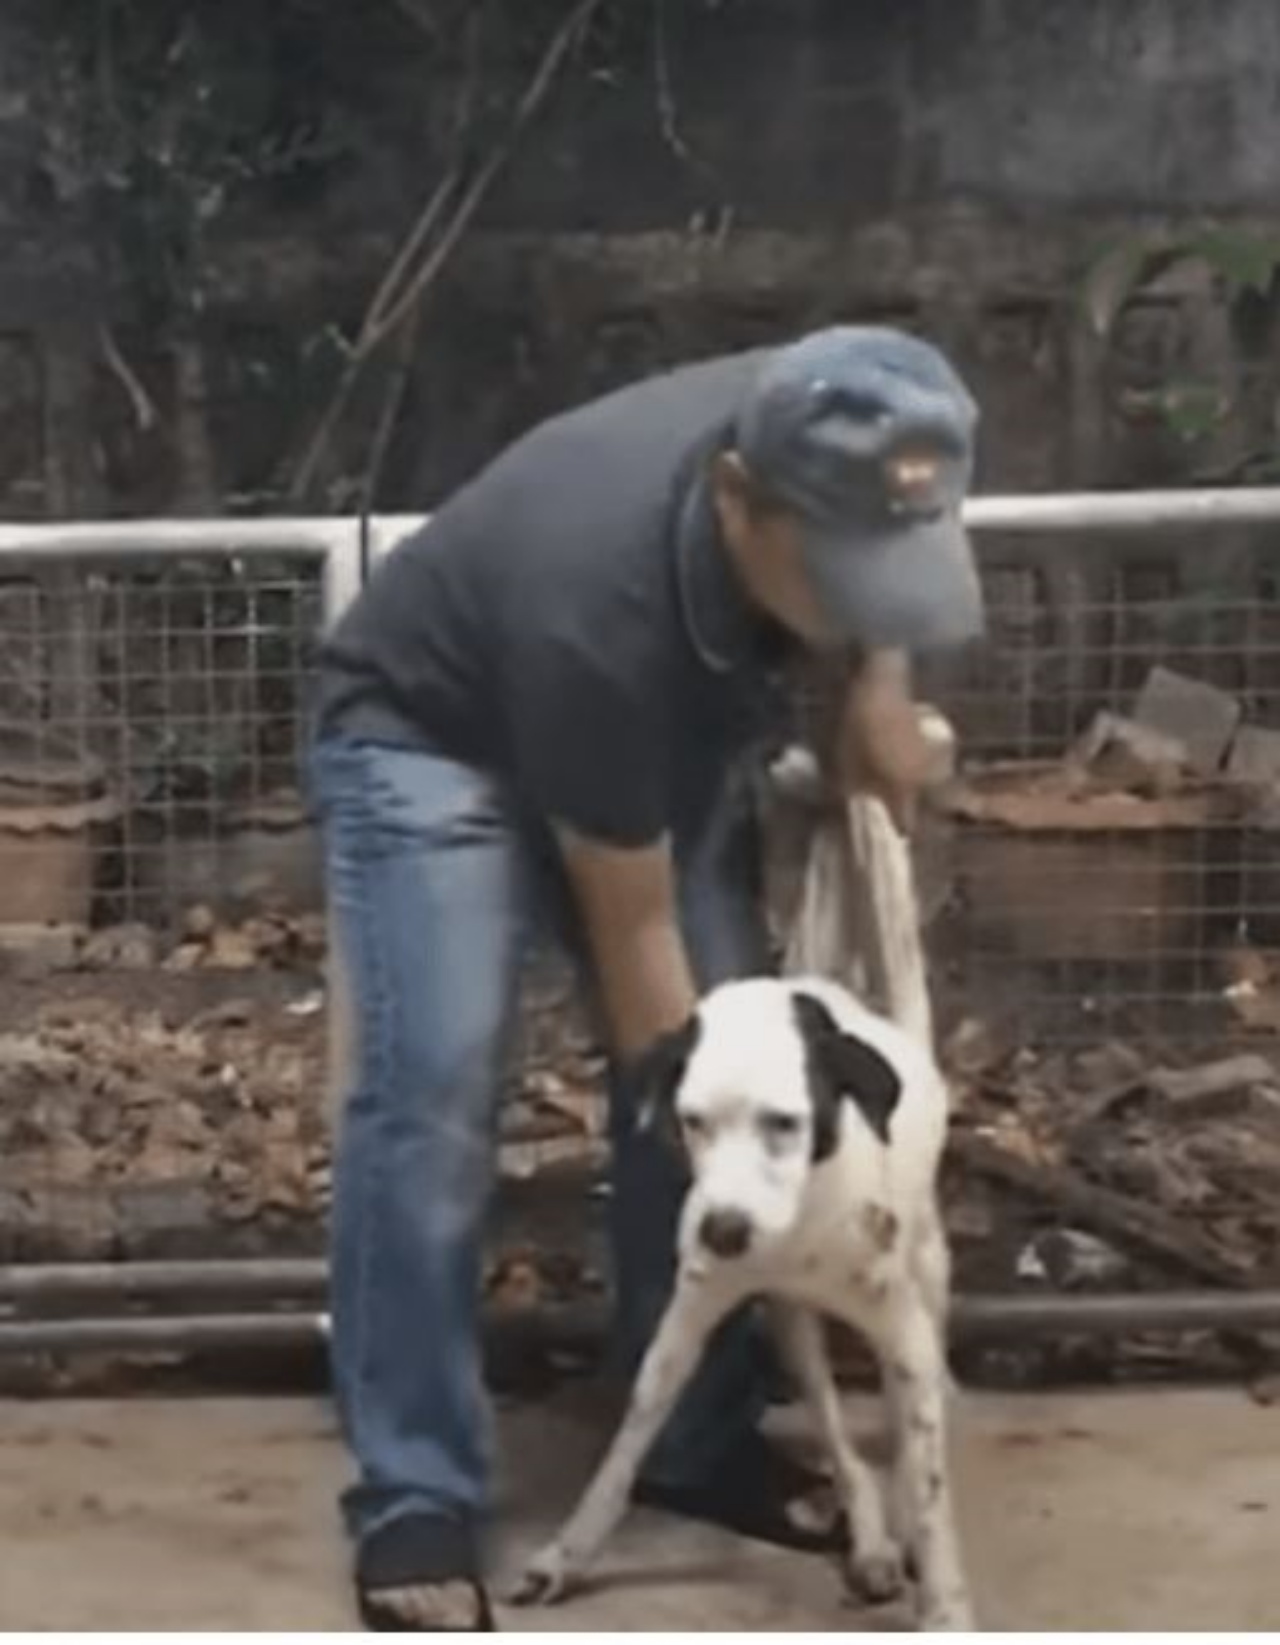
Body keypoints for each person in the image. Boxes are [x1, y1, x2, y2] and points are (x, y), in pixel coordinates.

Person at [309, 325, 982, 1630]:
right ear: (737, 501)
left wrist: (880, 685)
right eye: (844, 578)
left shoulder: (862, 412)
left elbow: (888, 553)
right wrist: (755, 1177)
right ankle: (415, 1490)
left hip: (638, 743)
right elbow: (642, 962)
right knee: (450, 1084)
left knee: (726, 1050)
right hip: (432, 735)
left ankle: (697, 1437)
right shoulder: (600, 601)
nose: (865, 599)